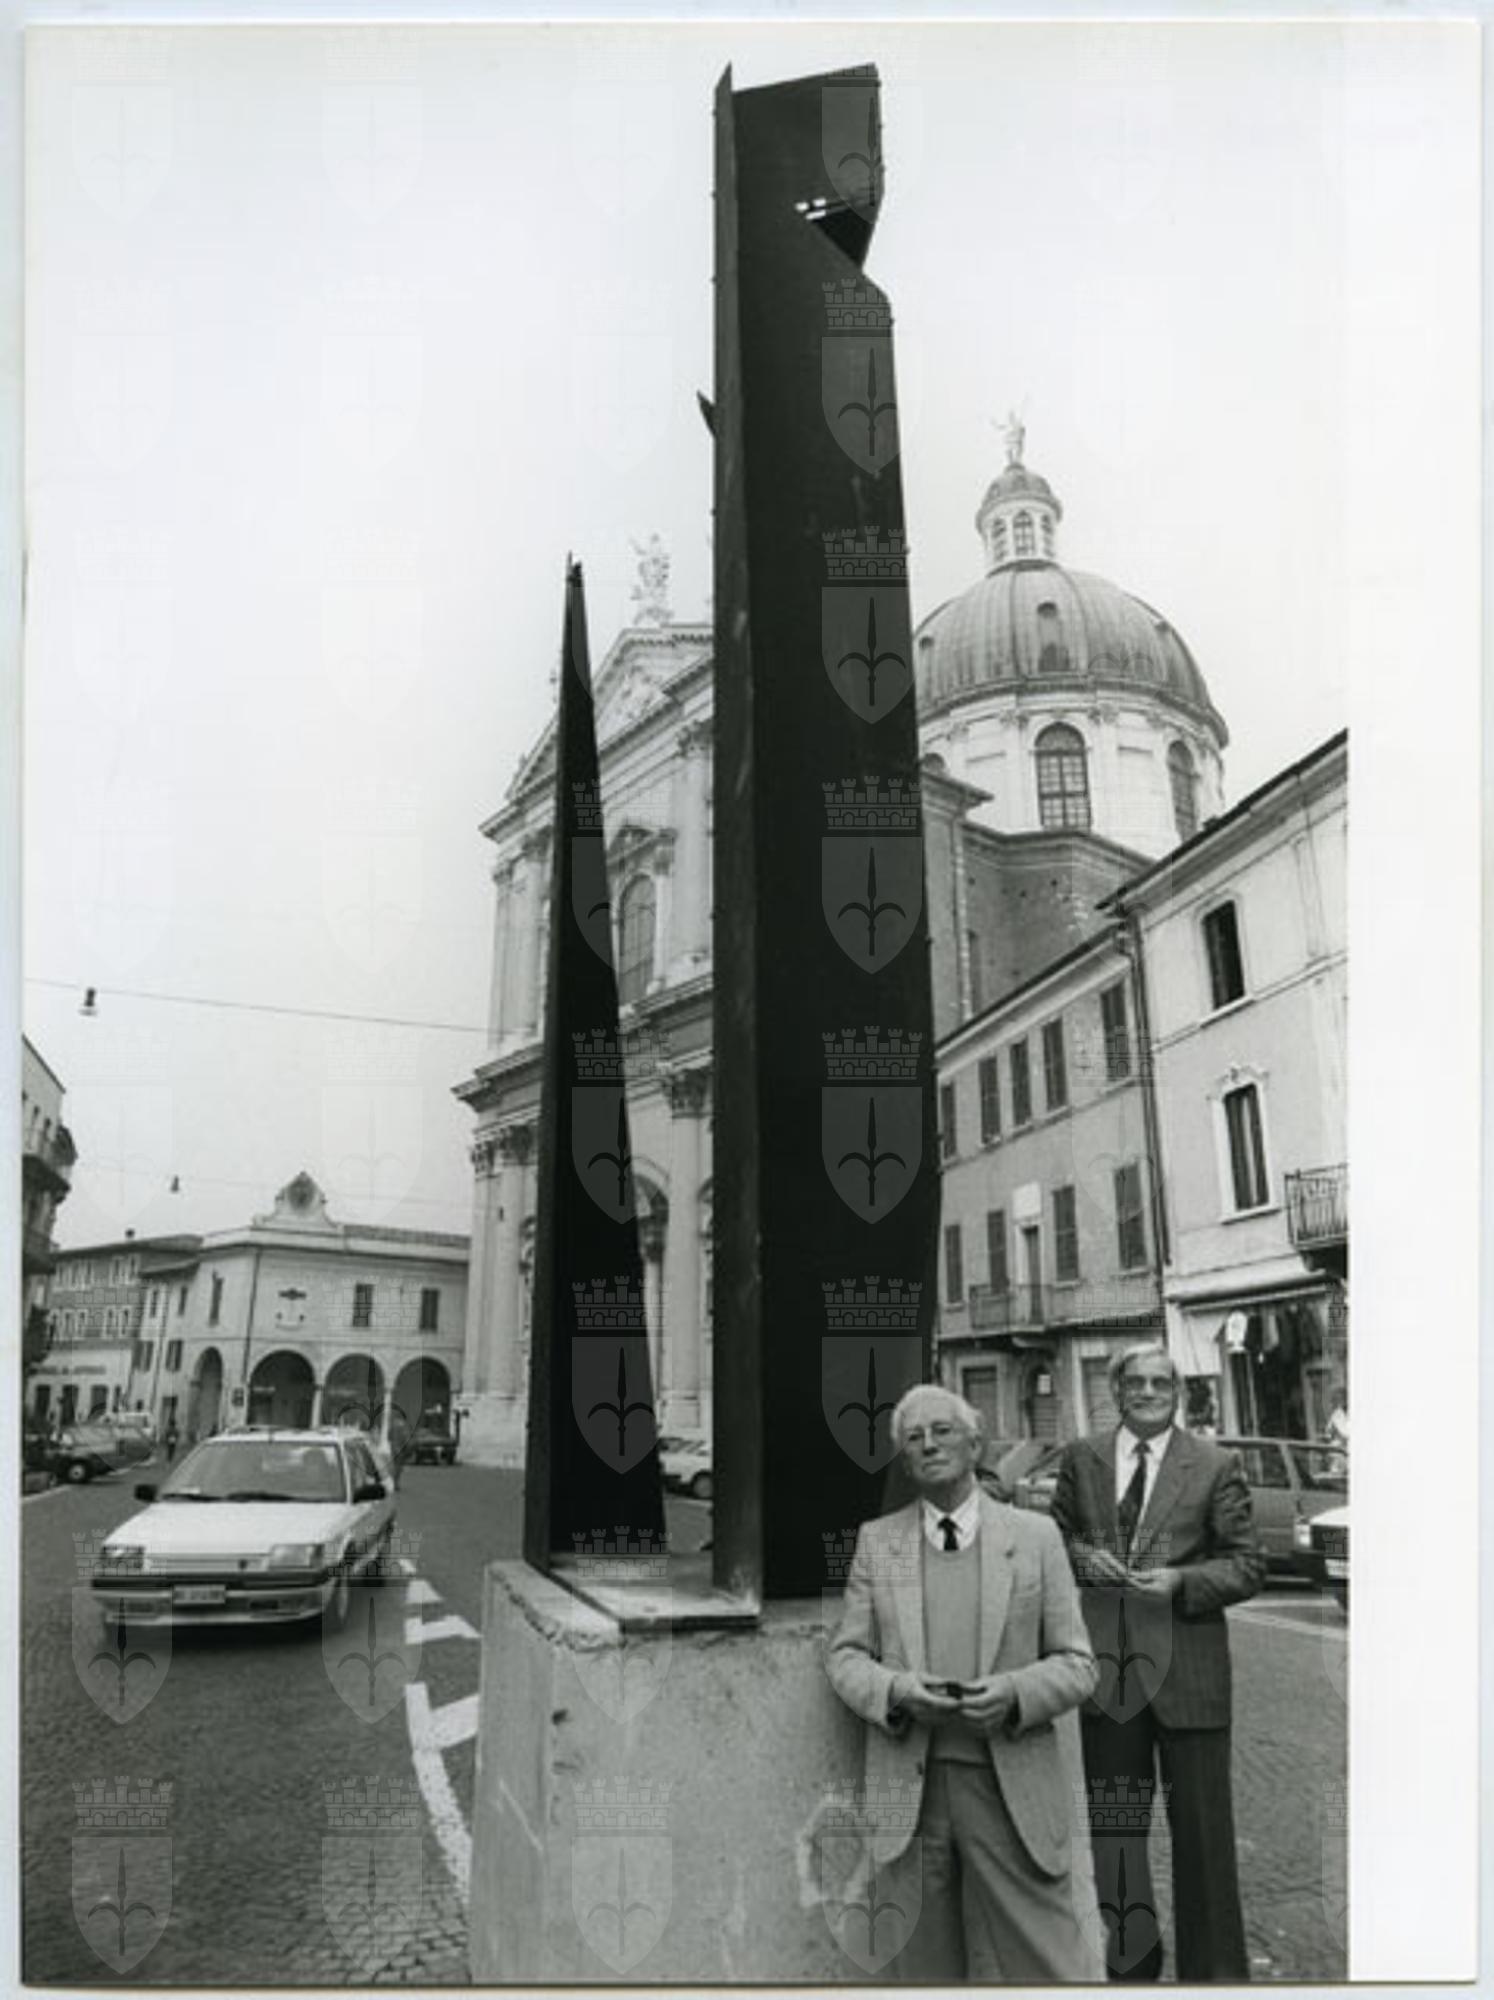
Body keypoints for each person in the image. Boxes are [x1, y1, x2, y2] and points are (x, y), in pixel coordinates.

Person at [826, 1384, 1105, 1982]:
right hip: (912, 1792)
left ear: (975, 1444)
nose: (929, 1445)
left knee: (1051, 1966)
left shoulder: (1035, 1538)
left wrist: (1016, 1695)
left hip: (1009, 1787)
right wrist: (896, 1691)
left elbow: (1079, 1664)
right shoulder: (879, 1542)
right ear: (905, 1461)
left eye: (942, 1431)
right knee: (923, 1972)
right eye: (914, 1438)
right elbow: (845, 1657)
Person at [1050, 1343, 1266, 1982]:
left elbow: (1247, 1564)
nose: (1147, 1392)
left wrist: (1182, 1582)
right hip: (1108, 1678)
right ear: (1116, 1391)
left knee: (1204, 1843)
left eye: (1160, 1383)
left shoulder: (1215, 1464)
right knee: (1115, 1839)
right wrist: (1081, 1559)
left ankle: (1215, 1980)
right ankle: (1129, 1975)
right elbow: (1054, 1538)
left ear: (1178, 1393)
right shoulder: (1082, 1459)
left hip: (1190, 1679)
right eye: (1136, 1382)